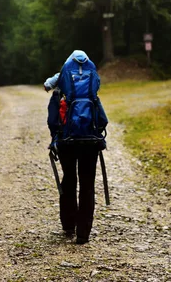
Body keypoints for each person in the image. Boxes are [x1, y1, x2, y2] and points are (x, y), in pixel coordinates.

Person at [44, 50, 106, 244]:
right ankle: (83, 233)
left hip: (67, 141)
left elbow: (52, 121)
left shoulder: (60, 91)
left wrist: (55, 138)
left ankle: (69, 225)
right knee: (87, 183)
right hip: (90, 140)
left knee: (69, 179)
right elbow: (102, 120)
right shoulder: (91, 89)